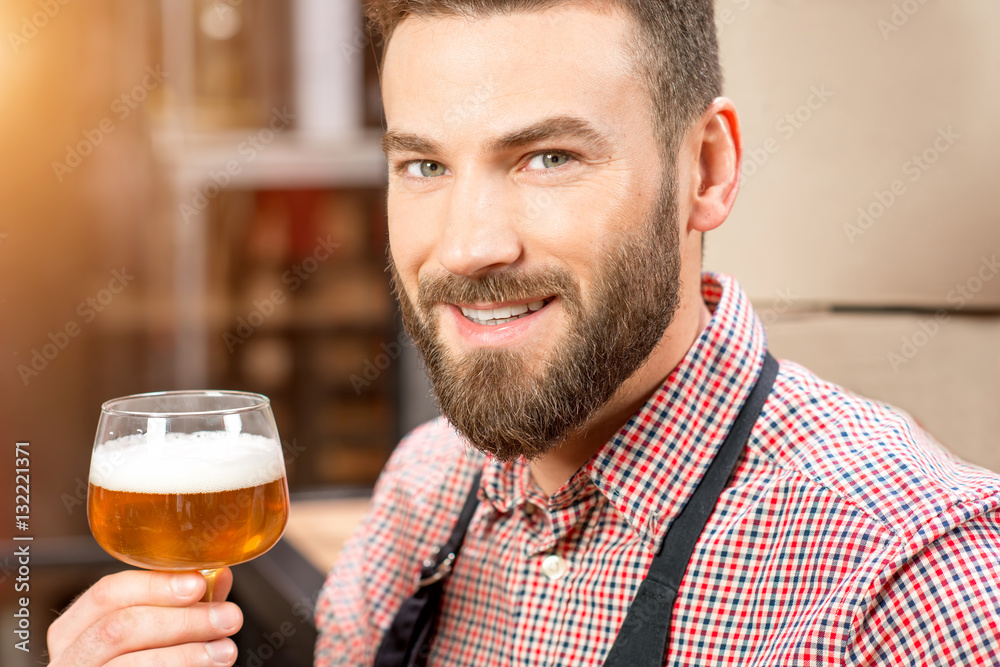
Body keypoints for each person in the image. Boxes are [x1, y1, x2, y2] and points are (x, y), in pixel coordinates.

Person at [49, 1, 1000, 665]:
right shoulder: (425, 490)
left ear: (706, 168)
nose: (467, 246)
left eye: (547, 157)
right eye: (423, 164)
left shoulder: (915, 577)